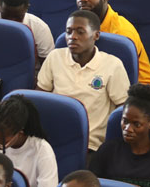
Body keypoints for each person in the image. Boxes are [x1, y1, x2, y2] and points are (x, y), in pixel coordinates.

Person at [37, 9, 130, 149]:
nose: (72, 37)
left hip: (90, 144)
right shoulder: (55, 57)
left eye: (80, 32)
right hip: (52, 138)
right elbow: (40, 97)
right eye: (69, 31)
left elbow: (123, 108)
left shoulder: (113, 65)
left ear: (96, 35)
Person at [0, 0, 54, 70]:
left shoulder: (40, 28)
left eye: (17, 17)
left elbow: (47, 67)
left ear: (27, 8)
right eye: (6, 16)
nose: (12, 21)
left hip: (29, 73)